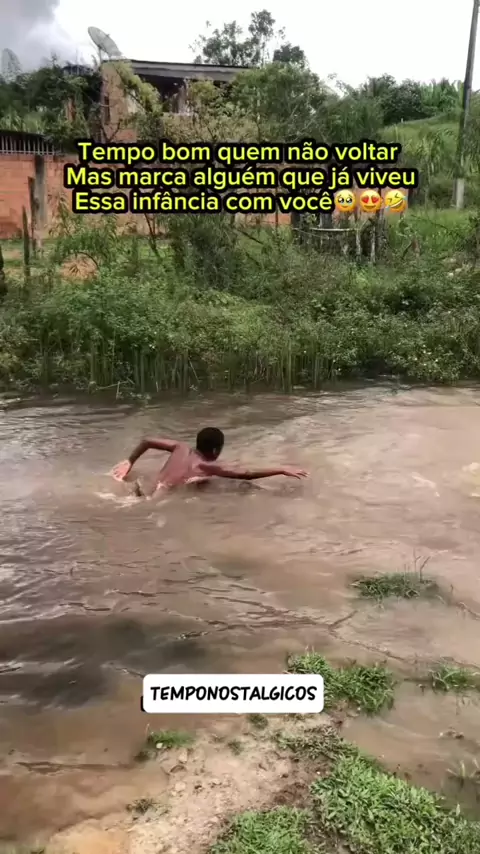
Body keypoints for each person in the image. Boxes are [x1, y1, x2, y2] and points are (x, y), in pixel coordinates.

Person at [111, 427, 308, 495]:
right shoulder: (206, 465)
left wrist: (130, 461)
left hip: (149, 489)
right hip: (162, 498)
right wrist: (281, 469)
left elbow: (147, 441)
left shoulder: (180, 447)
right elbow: (246, 474)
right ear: (215, 450)